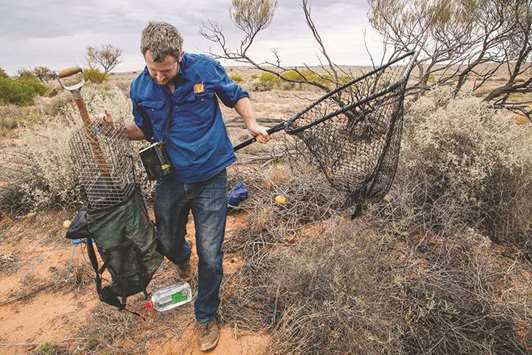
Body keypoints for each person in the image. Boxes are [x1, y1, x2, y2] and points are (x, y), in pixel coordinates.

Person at [105, 21, 269, 351]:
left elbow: (236, 96)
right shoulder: (140, 88)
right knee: (166, 243)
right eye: (153, 69)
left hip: (210, 176)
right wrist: (116, 131)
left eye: (165, 70)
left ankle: (206, 316)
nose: (159, 77)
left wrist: (251, 122)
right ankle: (182, 256)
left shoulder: (205, 70)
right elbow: (145, 129)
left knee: (211, 255)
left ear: (180, 55)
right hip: (169, 177)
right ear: (144, 57)